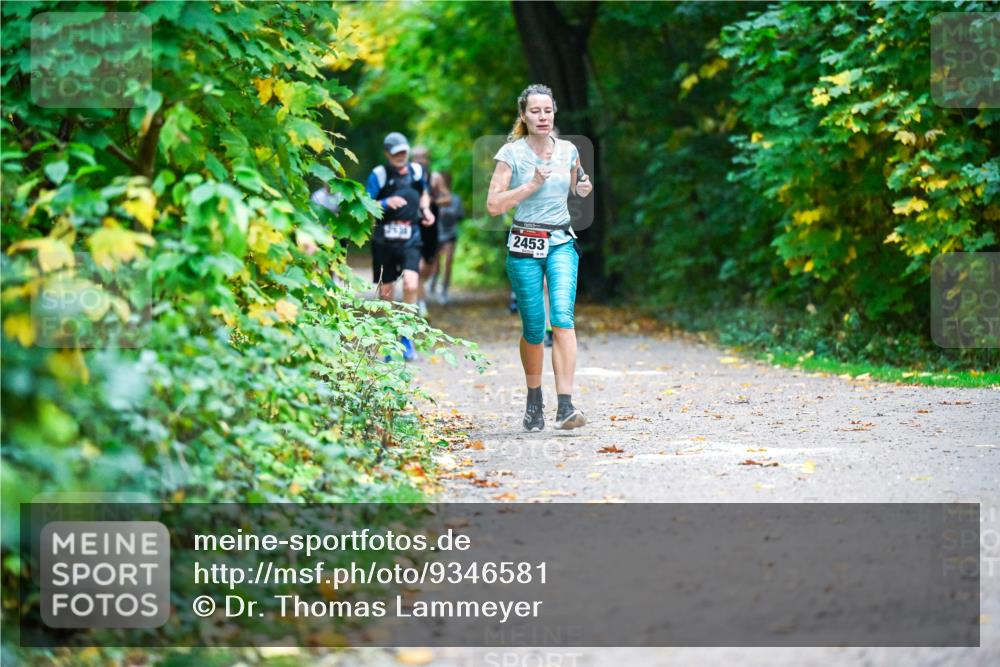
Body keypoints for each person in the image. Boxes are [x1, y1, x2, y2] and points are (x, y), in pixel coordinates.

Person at [486, 84, 593, 431]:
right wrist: (530, 185)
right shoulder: (510, 154)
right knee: (534, 328)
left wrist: (582, 188)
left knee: (562, 317)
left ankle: (565, 405)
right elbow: (493, 205)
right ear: (523, 116)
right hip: (524, 244)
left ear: (554, 113)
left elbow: (577, 183)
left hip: (561, 241)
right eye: (535, 111)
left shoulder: (569, 150)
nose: (542, 117)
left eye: (547, 111)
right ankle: (534, 400)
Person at [365, 132, 435, 361]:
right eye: (396, 153)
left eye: (404, 151)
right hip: (384, 239)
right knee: (386, 292)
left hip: (411, 237)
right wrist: (385, 202)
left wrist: (426, 210)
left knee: (411, 284)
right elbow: (365, 203)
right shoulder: (379, 174)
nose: (400, 156)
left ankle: (406, 337)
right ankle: (388, 341)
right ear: (387, 154)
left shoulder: (416, 171)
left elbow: (424, 193)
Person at [410, 145, 440, 317]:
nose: (420, 161)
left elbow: (447, 198)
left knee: (428, 267)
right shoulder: (407, 178)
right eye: (417, 158)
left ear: (428, 159)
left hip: (431, 228)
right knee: (418, 268)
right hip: (414, 227)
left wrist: (430, 202)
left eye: (423, 157)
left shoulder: (434, 178)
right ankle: (420, 305)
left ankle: (420, 294)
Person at [430, 171, 463, 304]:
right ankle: (433, 280)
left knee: (448, 262)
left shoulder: (455, 198)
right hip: (436, 233)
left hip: (450, 234)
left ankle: (444, 289)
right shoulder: (433, 197)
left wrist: (447, 214)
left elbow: (460, 215)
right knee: (435, 263)